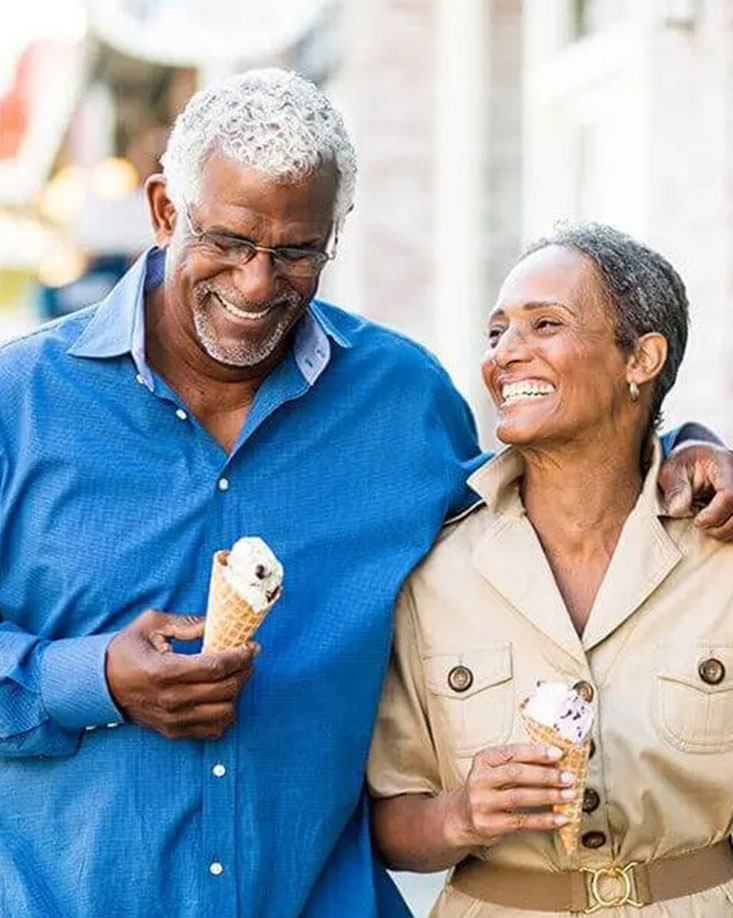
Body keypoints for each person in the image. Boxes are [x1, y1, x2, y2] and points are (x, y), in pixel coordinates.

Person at [0, 71, 729, 918]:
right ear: (165, 212)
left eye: (296, 251)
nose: (255, 283)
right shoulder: (20, 404)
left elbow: (547, 490)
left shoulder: (399, 398)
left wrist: (680, 446)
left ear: (333, 235)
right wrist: (89, 678)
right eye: (230, 241)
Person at [368, 223, 733, 916]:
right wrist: (461, 816)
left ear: (640, 358)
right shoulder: (433, 567)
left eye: (544, 324)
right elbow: (387, 816)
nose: (506, 353)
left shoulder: (719, 554)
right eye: (496, 331)